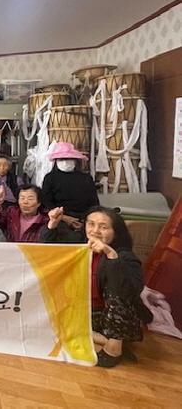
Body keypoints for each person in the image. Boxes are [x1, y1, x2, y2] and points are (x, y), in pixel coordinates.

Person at [43, 206, 153, 367]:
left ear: (115, 232)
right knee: (45, 322)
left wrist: (111, 255)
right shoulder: (80, 246)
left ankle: (113, 347)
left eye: (103, 227)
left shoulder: (125, 255)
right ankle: (106, 342)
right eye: (91, 224)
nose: (95, 231)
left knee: (118, 285)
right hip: (85, 313)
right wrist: (52, 224)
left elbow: (130, 290)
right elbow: (48, 253)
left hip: (112, 317)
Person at [41, 141, 99, 230]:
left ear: (75, 160)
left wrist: (86, 220)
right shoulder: (50, 178)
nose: (65, 162)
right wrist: (64, 218)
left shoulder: (86, 178)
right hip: (59, 219)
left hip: (84, 219)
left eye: (69, 159)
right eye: (61, 159)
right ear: (56, 161)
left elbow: (94, 202)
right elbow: (46, 202)